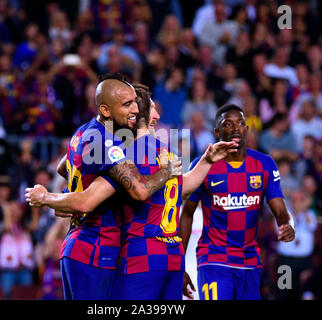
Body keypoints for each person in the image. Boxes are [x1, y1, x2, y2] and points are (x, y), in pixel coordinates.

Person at [26, 84, 237, 300]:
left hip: (136, 254)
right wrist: (206, 161)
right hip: (173, 255)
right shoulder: (169, 153)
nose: (157, 114)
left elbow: (86, 196)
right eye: (152, 109)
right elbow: (183, 188)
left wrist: (52, 198)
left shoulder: (124, 155)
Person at [179, 104, 295, 300]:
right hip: (214, 259)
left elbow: (280, 210)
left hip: (249, 261)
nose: (235, 128)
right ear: (217, 131)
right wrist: (179, 265)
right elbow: (187, 213)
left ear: (247, 129)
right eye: (228, 124)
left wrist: (287, 225)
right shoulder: (204, 164)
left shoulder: (264, 164)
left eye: (241, 123)